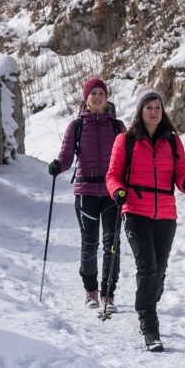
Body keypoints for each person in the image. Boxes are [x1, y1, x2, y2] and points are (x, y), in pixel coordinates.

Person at [104, 88, 185, 353]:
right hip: (134, 211)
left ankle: (150, 299)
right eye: (149, 107)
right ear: (140, 111)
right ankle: (149, 327)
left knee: (159, 269)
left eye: (158, 107)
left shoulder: (173, 141)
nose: (154, 112)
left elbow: (181, 174)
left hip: (166, 214)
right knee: (147, 269)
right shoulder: (126, 140)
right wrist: (117, 191)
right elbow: (112, 175)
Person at [48, 78, 125, 313]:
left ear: (107, 97)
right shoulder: (76, 126)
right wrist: (57, 166)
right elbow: (66, 156)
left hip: (113, 192)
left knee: (112, 244)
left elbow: (127, 157)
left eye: (102, 93)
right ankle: (90, 291)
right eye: (93, 93)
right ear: (86, 98)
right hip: (86, 193)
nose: (98, 97)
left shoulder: (118, 127)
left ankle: (108, 294)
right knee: (89, 244)